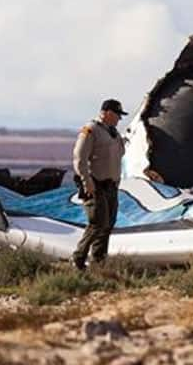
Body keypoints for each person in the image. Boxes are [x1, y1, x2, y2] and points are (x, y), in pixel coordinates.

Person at [71, 99, 127, 270]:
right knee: (97, 223)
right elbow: (79, 158)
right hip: (95, 184)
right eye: (118, 115)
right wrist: (87, 182)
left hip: (111, 185)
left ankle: (98, 261)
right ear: (108, 113)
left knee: (108, 224)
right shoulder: (91, 130)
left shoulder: (114, 134)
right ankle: (78, 258)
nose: (119, 119)